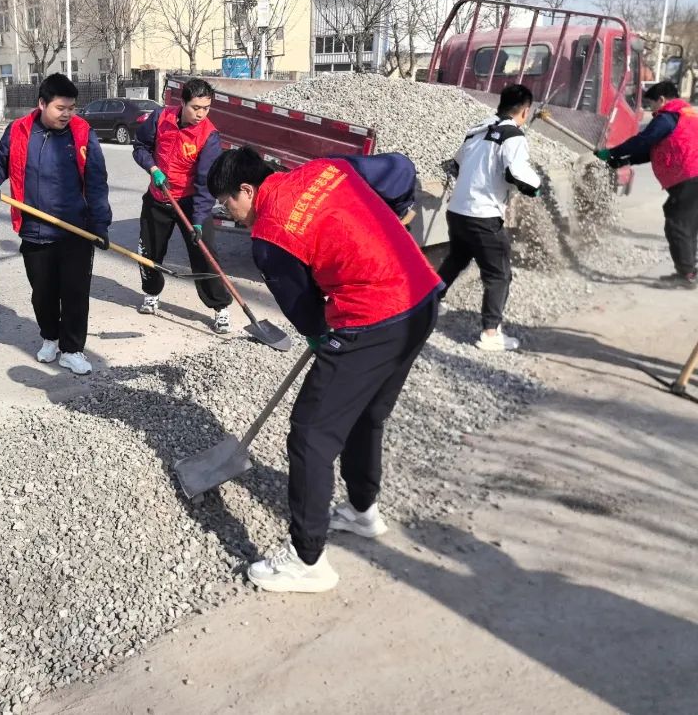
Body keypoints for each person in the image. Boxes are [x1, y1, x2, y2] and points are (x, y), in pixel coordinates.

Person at [207, 147, 442, 594]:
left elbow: (308, 317)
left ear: (247, 190)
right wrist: (396, 213)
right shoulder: (324, 168)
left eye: (226, 202)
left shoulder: (269, 237)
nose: (227, 212)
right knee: (366, 412)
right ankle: (362, 510)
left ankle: (307, 559)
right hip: (421, 295)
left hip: (373, 319)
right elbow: (398, 168)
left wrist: (323, 340)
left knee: (311, 435)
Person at [0, 73, 111, 375]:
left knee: (75, 294)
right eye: (60, 108)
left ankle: (72, 350)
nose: (67, 114)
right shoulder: (19, 130)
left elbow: (96, 181)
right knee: (43, 293)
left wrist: (100, 224)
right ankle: (50, 338)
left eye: (71, 108)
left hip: (76, 231)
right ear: (42, 104)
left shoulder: (82, 133)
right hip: (35, 231)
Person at [437, 83, 542, 351]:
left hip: (457, 211)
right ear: (525, 111)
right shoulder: (513, 136)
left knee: (456, 259)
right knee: (499, 274)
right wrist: (536, 186)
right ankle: (490, 334)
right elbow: (518, 173)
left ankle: (430, 303)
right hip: (483, 216)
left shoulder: (477, 130)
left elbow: (456, 164)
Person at [132, 78, 232, 332]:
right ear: (183, 103)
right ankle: (151, 293)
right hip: (158, 198)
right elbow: (140, 147)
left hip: (190, 203)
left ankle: (220, 307)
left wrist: (198, 220)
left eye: (206, 108)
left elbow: (205, 182)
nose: (201, 114)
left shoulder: (208, 136)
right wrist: (153, 168)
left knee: (205, 255)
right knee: (149, 253)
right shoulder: (160, 118)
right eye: (195, 107)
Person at [596, 81, 698, 290]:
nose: (651, 110)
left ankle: (686, 275)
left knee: (677, 224)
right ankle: (689, 270)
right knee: (687, 223)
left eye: (651, 104)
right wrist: (625, 161)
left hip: (689, 176)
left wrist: (612, 152)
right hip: (692, 175)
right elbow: (658, 150)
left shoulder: (667, 117)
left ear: (662, 100)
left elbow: (643, 140)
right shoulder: (686, 115)